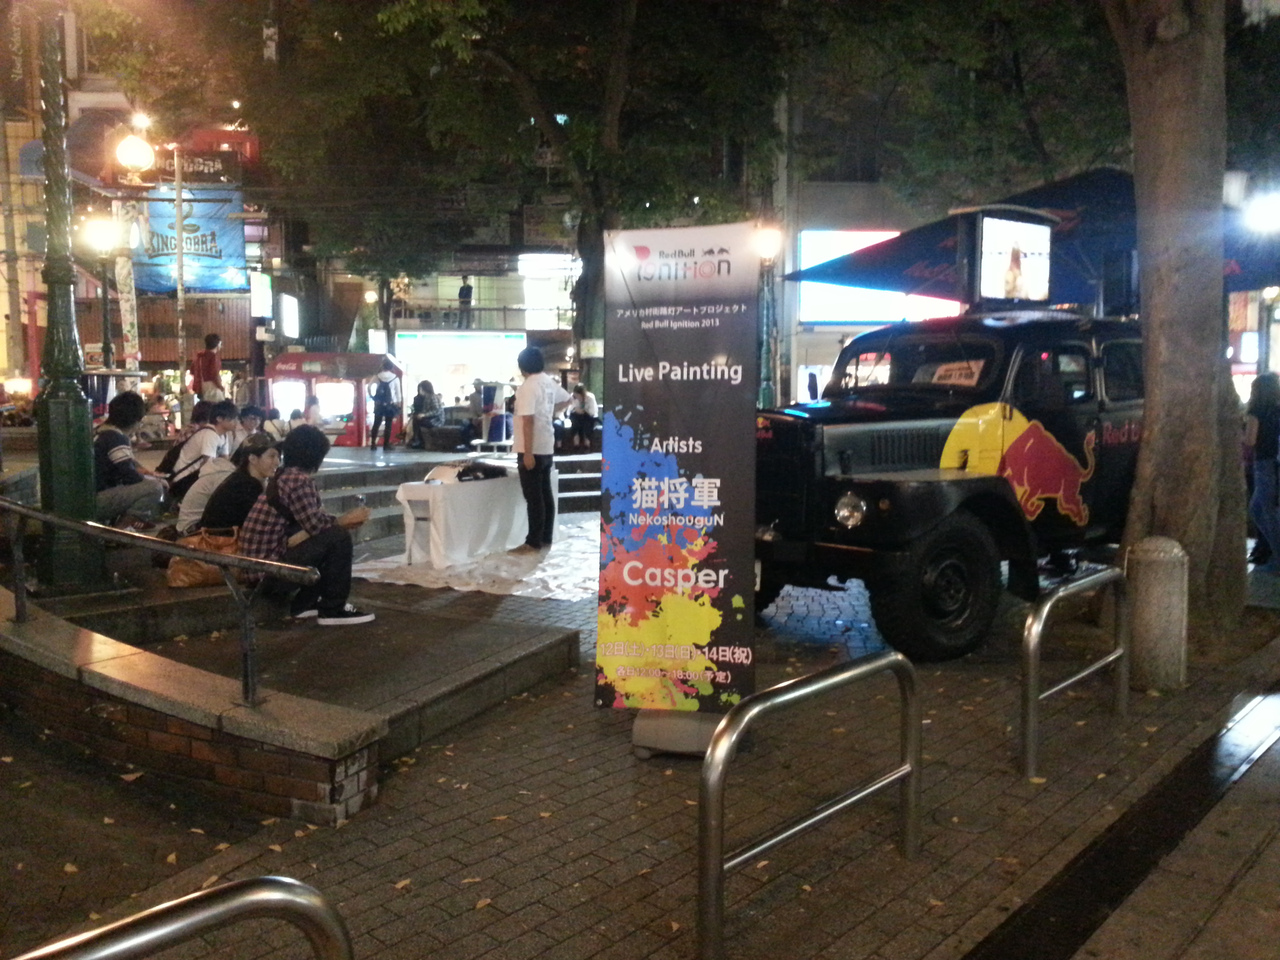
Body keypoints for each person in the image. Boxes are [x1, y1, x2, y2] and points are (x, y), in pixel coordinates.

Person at [239, 425, 375, 625]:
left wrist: (338, 523)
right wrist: (344, 521)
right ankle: (333, 610)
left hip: (257, 567)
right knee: (338, 538)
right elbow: (316, 526)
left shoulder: (284, 475)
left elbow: (311, 523)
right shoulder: (298, 480)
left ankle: (305, 604)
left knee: (331, 536)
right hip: (268, 573)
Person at [511, 346, 570, 555]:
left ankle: (533, 542)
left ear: (522, 367)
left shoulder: (528, 387)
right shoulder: (548, 382)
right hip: (546, 444)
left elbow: (527, 420)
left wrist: (527, 453)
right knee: (545, 493)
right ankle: (545, 537)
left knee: (533, 497)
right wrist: (549, 413)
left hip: (532, 447)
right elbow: (568, 399)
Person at [94, 391, 167, 530]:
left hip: (89, 495)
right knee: (154, 489)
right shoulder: (115, 438)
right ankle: (119, 531)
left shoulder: (101, 431)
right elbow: (129, 475)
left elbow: (128, 465)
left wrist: (147, 474)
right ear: (136, 420)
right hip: (97, 499)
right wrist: (154, 480)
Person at [199, 434, 281, 531]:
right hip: (221, 539)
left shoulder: (242, 479)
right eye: (272, 456)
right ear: (253, 459)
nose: (277, 462)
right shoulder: (245, 486)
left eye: (278, 456)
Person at [168, 399, 238, 500]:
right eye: (232, 419)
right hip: (184, 480)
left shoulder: (223, 435)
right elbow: (207, 466)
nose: (236, 422)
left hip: (195, 477)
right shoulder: (209, 434)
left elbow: (224, 462)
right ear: (219, 419)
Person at [1246, 372, 1280, 571]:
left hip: (1263, 464)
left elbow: (1250, 440)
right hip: (1275, 463)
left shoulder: (1256, 411)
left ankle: (1277, 559)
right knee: (1258, 509)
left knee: (1266, 512)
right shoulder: (1277, 409)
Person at [367, 358, 402, 450]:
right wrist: (398, 404)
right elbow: (398, 393)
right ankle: (386, 444)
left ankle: (373, 444)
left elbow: (369, 386)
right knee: (388, 424)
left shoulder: (377, 376)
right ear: (391, 367)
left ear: (382, 366)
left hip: (379, 404)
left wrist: (372, 397)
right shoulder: (395, 378)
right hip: (390, 404)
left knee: (376, 423)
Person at [189, 333, 224, 401]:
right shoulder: (213, 357)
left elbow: (192, 371)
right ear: (217, 344)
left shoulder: (199, 357)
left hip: (201, 388)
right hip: (212, 388)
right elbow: (214, 374)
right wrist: (220, 386)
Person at [408, 380, 443, 448]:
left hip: (436, 419)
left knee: (418, 421)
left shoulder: (432, 397)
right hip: (431, 417)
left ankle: (419, 441)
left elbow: (436, 411)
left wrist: (424, 415)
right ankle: (418, 440)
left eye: (421, 389)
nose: (419, 391)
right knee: (416, 419)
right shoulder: (426, 397)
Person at [568, 383, 598, 450]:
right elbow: (569, 410)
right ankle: (576, 444)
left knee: (587, 424)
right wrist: (575, 409)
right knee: (575, 423)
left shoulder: (590, 398)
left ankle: (587, 444)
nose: (578, 398)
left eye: (579, 396)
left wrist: (584, 410)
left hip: (588, 416)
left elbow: (593, 412)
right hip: (576, 416)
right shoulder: (573, 397)